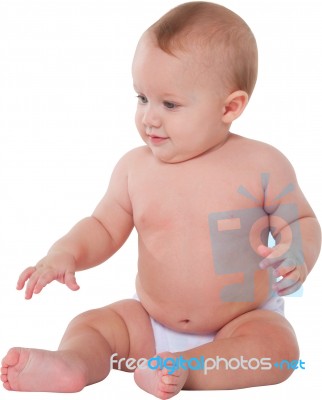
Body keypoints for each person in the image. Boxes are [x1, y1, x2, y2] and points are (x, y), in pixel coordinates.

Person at [1, 2, 321, 398]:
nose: (150, 117)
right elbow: (102, 227)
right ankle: (74, 364)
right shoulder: (135, 169)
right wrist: (66, 252)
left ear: (229, 106)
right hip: (149, 324)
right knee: (93, 325)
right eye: (142, 98)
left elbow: (298, 221)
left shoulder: (261, 164)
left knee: (280, 351)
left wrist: (297, 256)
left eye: (169, 104)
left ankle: (182, 370)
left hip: (239, 323)